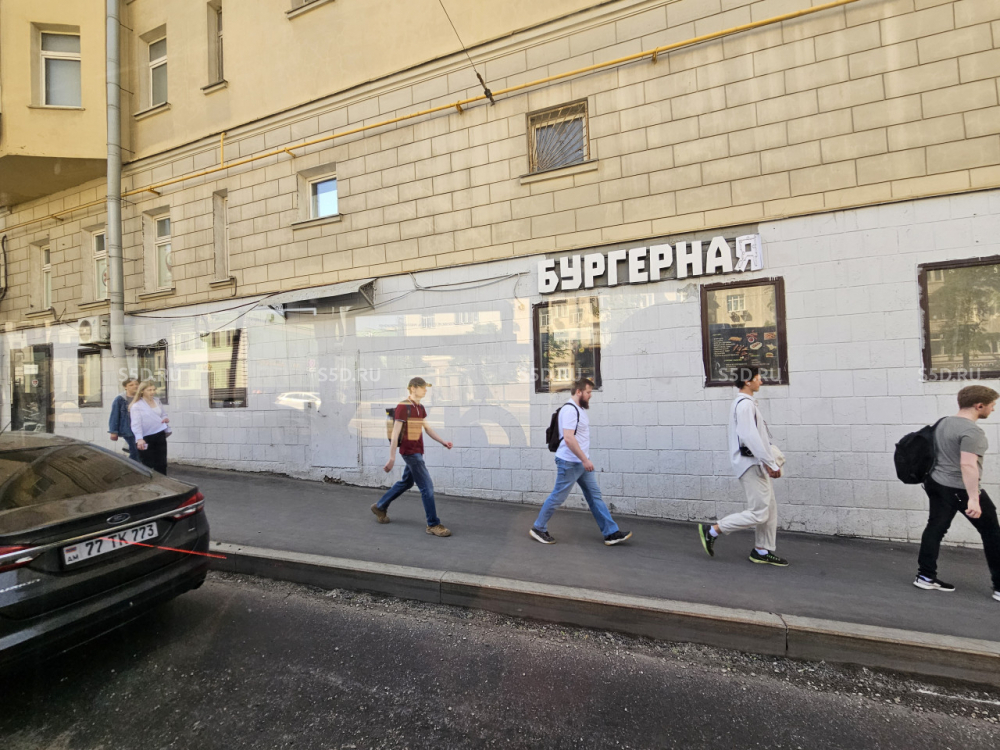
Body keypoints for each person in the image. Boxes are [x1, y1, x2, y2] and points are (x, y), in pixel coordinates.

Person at [915, 385, 1000, 602]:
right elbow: (968, 465)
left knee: (935, 528)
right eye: (992, 405)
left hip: (936, 483)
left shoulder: (943, 422)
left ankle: (925, 576)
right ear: (979, 405)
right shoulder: (972, 432)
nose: (993, 409)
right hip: (960, 488)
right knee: (992, 533)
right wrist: (974, 499)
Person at [698, 366, 788, 566]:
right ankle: (713, 530)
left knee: (769, 509)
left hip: (755, 463)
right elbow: (749, 437)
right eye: (758, 378)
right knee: (759, 513)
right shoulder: (744, 405)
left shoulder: (746, 403)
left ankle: (762, 551)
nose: (761, 381)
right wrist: (771, 463)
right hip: (751, 465)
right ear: (748, 381)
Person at [530, 378, 631, 546]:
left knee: (594, 497)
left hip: (580, 463)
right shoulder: (570, 410)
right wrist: (585, 460)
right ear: (579, 392)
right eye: (588, 392)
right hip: (570, 462)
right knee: (558, 497)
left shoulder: (579, 409)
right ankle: (538, 528)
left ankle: (611, 533)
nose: (590, 395)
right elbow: (569, 438)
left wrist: (584, 459)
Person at [372, 377, 453, 537]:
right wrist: (392, 458)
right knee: (427, 487)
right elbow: (395, 433)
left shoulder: (420, 408)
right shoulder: (403, 407)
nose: (425, 390)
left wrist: (442, 441)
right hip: (410, 453)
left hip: (418, 450)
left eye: (426, 387)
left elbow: (427, 429)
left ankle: (380, 506)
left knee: (407, 482)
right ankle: (433, 524)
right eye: (423, 387)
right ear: (413, 388)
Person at [130, 380, 171, 475]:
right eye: (149, 390)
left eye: (154, 389)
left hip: (160, 433)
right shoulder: (137, 406)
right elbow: (136, 424)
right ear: (142, 391)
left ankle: (162, 480)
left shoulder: (157, 401)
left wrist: (165, 418)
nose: (152, 392)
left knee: (162, 462)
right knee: (148, 463)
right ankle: (150, 481)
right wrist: (139, 439)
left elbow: (163, 414)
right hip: (146, 436)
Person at [109, 377, 140, 460]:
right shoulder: (120, 399)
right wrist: (113, 431)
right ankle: (133, 466)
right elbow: (114, 415)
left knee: (140, 451)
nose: (135, 386)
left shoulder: (141, 398)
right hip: (128, 430)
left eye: (136, 384)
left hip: (141, 429)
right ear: (125, 387)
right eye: (131, 385)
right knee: (135, 451)